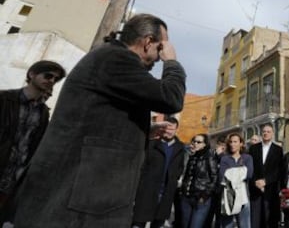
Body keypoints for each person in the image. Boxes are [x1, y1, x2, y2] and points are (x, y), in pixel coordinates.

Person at [13, 14, 187, 228]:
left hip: (83, 198)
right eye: (161, 48)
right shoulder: (115, 59)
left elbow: (99, 119)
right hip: (77, 204)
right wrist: (172, 62)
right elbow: (171, 97)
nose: (160, 57)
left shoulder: (111, 60)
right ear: (148, 42)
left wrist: (145, 130)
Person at [0, 60, 66, 225]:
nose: (51, 81)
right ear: (32, 74)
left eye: (55, 79)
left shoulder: (43, 113)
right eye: (48, 75)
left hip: (13, 180)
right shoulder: (4, 99)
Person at [132, 114, 185, 228]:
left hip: (166, 192)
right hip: (147, 190)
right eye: (167, 128)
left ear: (176, 129)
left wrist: (174, 179)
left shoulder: (180, 148)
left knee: (158, 223)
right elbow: (142, 165)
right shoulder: (152, 144)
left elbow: (180, 167)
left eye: (172, 129)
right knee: (138, 222)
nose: (169, 131)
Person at [249, 124, 283, 228]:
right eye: (264, 131)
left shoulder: (278, 150)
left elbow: (279, 170)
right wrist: (256, 181)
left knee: (269, 219)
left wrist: (266, 181)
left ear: (272, 134)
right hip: (255, 189)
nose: (266, 133)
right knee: (255, 219)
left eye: (268, 131)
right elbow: (250, 168)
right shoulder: (254, 148)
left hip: (271, 189)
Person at [180, 134, 218, 228]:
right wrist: (182, 191)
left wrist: (205, 195)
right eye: (194, 141)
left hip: (201, 198)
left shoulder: (209, 157)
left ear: (205, 144)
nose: (195, 144)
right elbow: (187, 175)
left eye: (199, 142)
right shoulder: (192, 156)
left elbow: (215, 177)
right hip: (187, 196)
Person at [219, 133, 253, 228]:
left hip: (243, 196)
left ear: (241, 143)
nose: (232, 144)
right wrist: (241, 171)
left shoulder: (247, 158)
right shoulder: (225, 159)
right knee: (227, 225)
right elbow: (223, 176)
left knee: (244, 225)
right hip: (228, 196)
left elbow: (249, 174)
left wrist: (231, 173)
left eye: (235, 142)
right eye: (231, 142)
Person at [204, 135, 227, 228]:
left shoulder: (226, 156)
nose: (222, 147)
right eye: (220, 144)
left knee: (219, 213)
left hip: (221, 188)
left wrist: (221, 155)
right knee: (208, 212)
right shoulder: (211, 154)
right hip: (210, 187)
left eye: (224, 145)